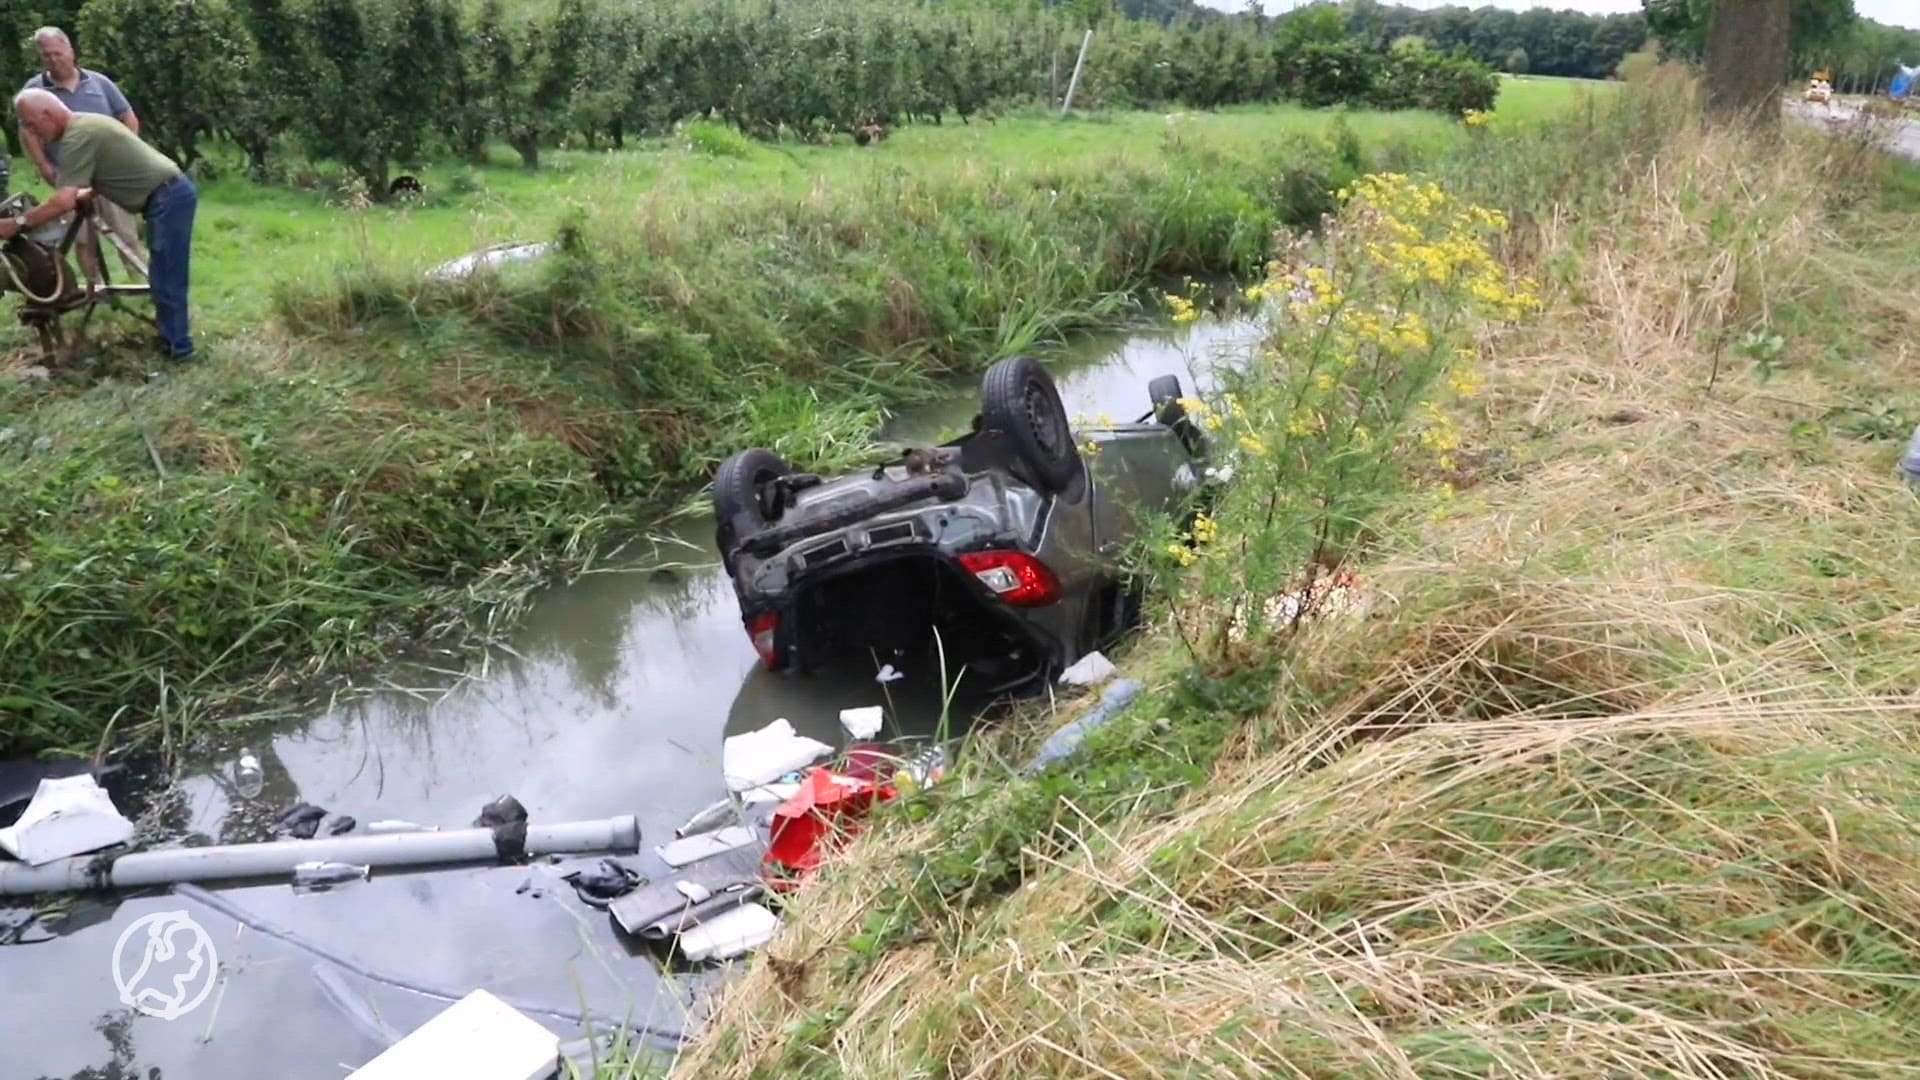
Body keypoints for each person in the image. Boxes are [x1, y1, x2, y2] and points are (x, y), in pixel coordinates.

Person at [2, 88, 197, 361]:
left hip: (167, 198)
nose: (33, 134)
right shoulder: (87, 123)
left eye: (33, 125)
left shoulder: (77, 136)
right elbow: (117, 166)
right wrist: (88, 193)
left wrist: (18, 223)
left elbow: (62, 202)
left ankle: (180, 351)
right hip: (169, 193)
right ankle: (171, 340)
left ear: (47, 114)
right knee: (163, 274)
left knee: (167, 278)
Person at [18, 27, 145, 280]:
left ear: (71, 52)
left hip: (108, 174)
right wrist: (44, 167)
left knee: (124, 234)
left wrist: (126, 154)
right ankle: (95, 289)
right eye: (47, 56)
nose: (54, 60)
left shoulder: (100, 83)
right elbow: (28, 133)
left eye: (58, 53)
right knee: (83, 239)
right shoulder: (34, 91)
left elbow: (128, 118)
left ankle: (141, 284)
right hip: (69, 177)